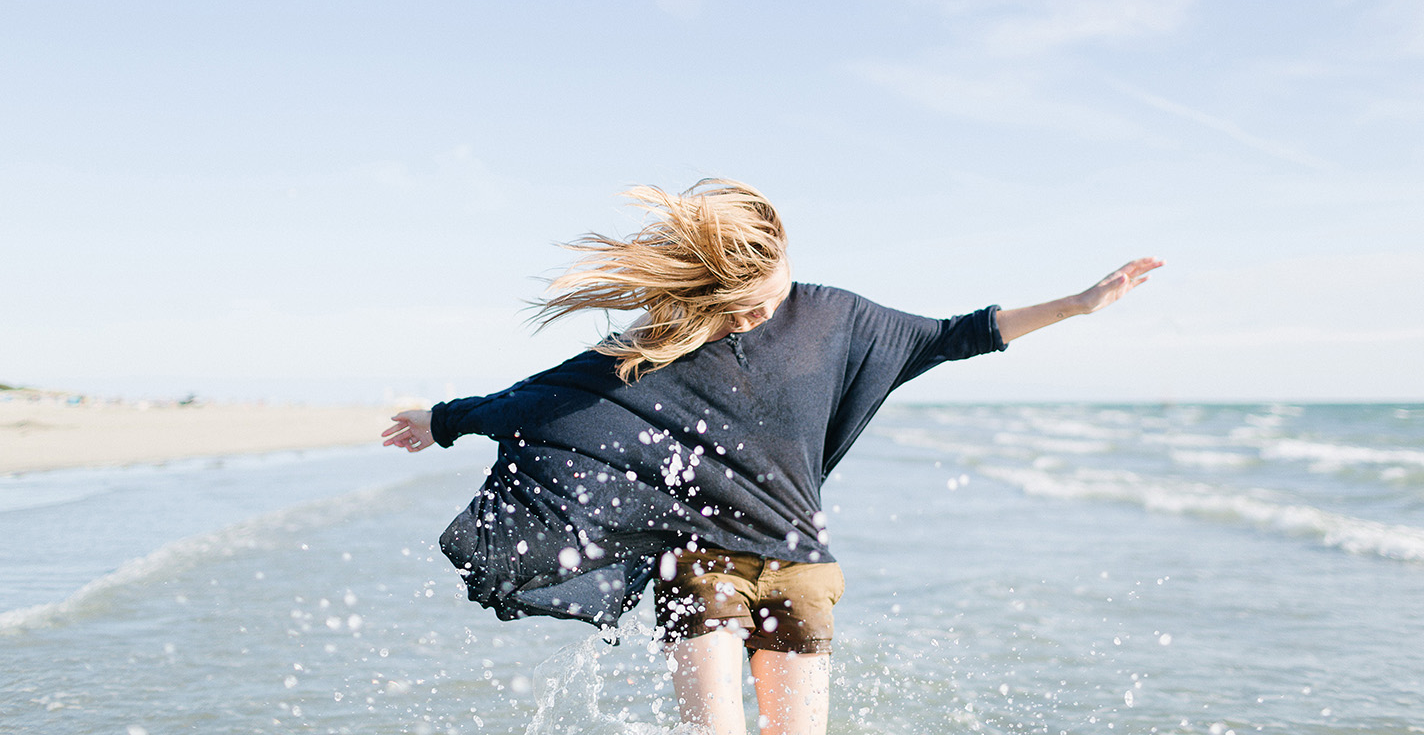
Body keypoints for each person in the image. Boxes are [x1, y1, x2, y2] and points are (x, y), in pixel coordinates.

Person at [383, 179, 1160, 735]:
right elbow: (546, 398)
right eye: (741, 302)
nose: (758, 312)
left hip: (802, 567)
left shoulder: (838, 318)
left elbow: (955, 335)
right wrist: (443, 419)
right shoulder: (659, 344)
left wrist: (1080, 303)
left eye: (767, 294)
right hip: (702, 566)